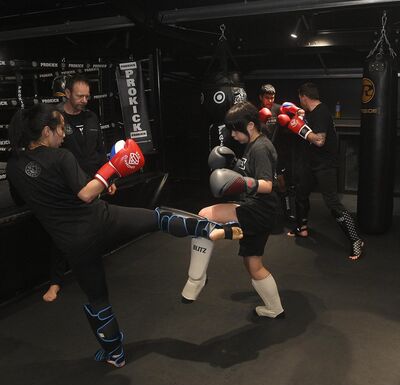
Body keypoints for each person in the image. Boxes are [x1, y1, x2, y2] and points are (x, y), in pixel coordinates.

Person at [6, 103, 243, 368]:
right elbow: (85, 195)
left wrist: (93, 186)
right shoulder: (61, 157)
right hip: (100, 221)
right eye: (61, 128)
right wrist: (114, 168)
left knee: (97, 298)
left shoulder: (14, 165)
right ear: (47, 131)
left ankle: (114, 353)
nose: (64, 134)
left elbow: (22, 199)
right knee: (158, 218)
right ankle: (210, 228)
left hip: (72, 242)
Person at [180, 101, 284, 319]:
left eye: (235, 130)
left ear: (250, 126)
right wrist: (234, 163)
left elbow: (267, 184)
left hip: (259, 209)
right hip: (257, 207)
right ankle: (275, 309)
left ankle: (197, 278)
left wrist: (244, 183)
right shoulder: (253, 145)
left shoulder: (262, 147)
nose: (233, 136)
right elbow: (250, 170)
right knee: (253, 264)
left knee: (205, 215)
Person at [43, 74, 114, 302]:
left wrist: (109, 179)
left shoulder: (92, 117)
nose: (84, 100)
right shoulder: (55, 118)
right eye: (80, 96)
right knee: (61, 234)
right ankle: (55, 281)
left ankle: (91, 268)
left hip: (93, 182)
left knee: (94, 224)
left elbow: (100, 152)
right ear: (67, 94)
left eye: (87, 96)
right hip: (66, 184)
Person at [277, 82, 363, 260]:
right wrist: (300, 116)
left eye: (300, 99)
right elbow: (308, 120)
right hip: (311, 163)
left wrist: (299, 128)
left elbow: (319, 141)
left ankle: (356, 240)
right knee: (301, 192)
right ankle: (302, 227)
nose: (299, 102)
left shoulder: (321, 113)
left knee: (332, 203)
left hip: (325, 165)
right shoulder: (313, 112)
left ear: (304, 97)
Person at [259, 84, 295, 221]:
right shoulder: (255, 111)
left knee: (281, 182)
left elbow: (293, 121)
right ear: (261, 97)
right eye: (267, 98)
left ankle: (287, 212)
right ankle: (262, 213)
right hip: (261, 152)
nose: (270, 100)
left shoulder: (279, 109)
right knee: (262, 183)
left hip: (276, 152)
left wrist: (295, 116)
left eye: (272, 97)